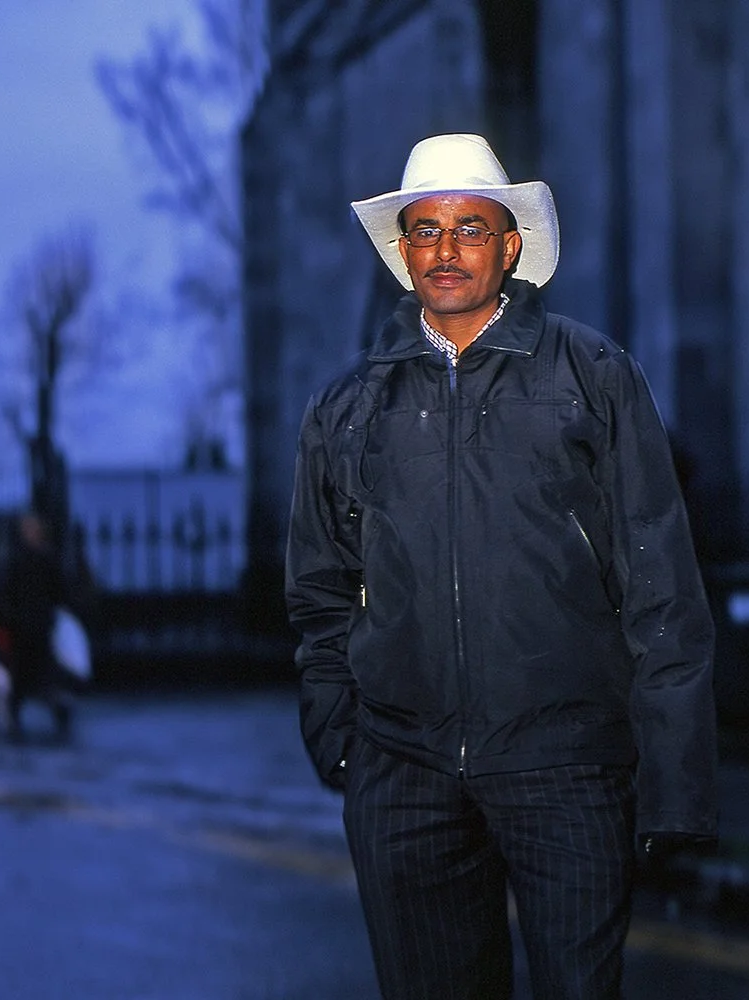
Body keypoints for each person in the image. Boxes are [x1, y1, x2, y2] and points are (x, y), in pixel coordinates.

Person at [285, 133, 718, 999]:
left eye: (470, 228)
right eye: (426, 230)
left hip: (567, 771)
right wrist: (344, 744)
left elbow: (661, 583)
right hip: (403, 776)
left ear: (510, 244)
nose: (446, 251)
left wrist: (673, 786)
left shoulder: (594, 378)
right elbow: (319, 590)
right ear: (403, 250)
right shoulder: (346, 408)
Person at [0, 510, 75, 742]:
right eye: (26, 529)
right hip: (22, 624)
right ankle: (14, 719)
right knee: (21, 676)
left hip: (39, 625)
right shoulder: (18, 559)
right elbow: (6, 590)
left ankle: (58, 714)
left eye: (32, 529)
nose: (28, 533)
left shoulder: (46, 558)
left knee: (43, 675)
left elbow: (59, 590)